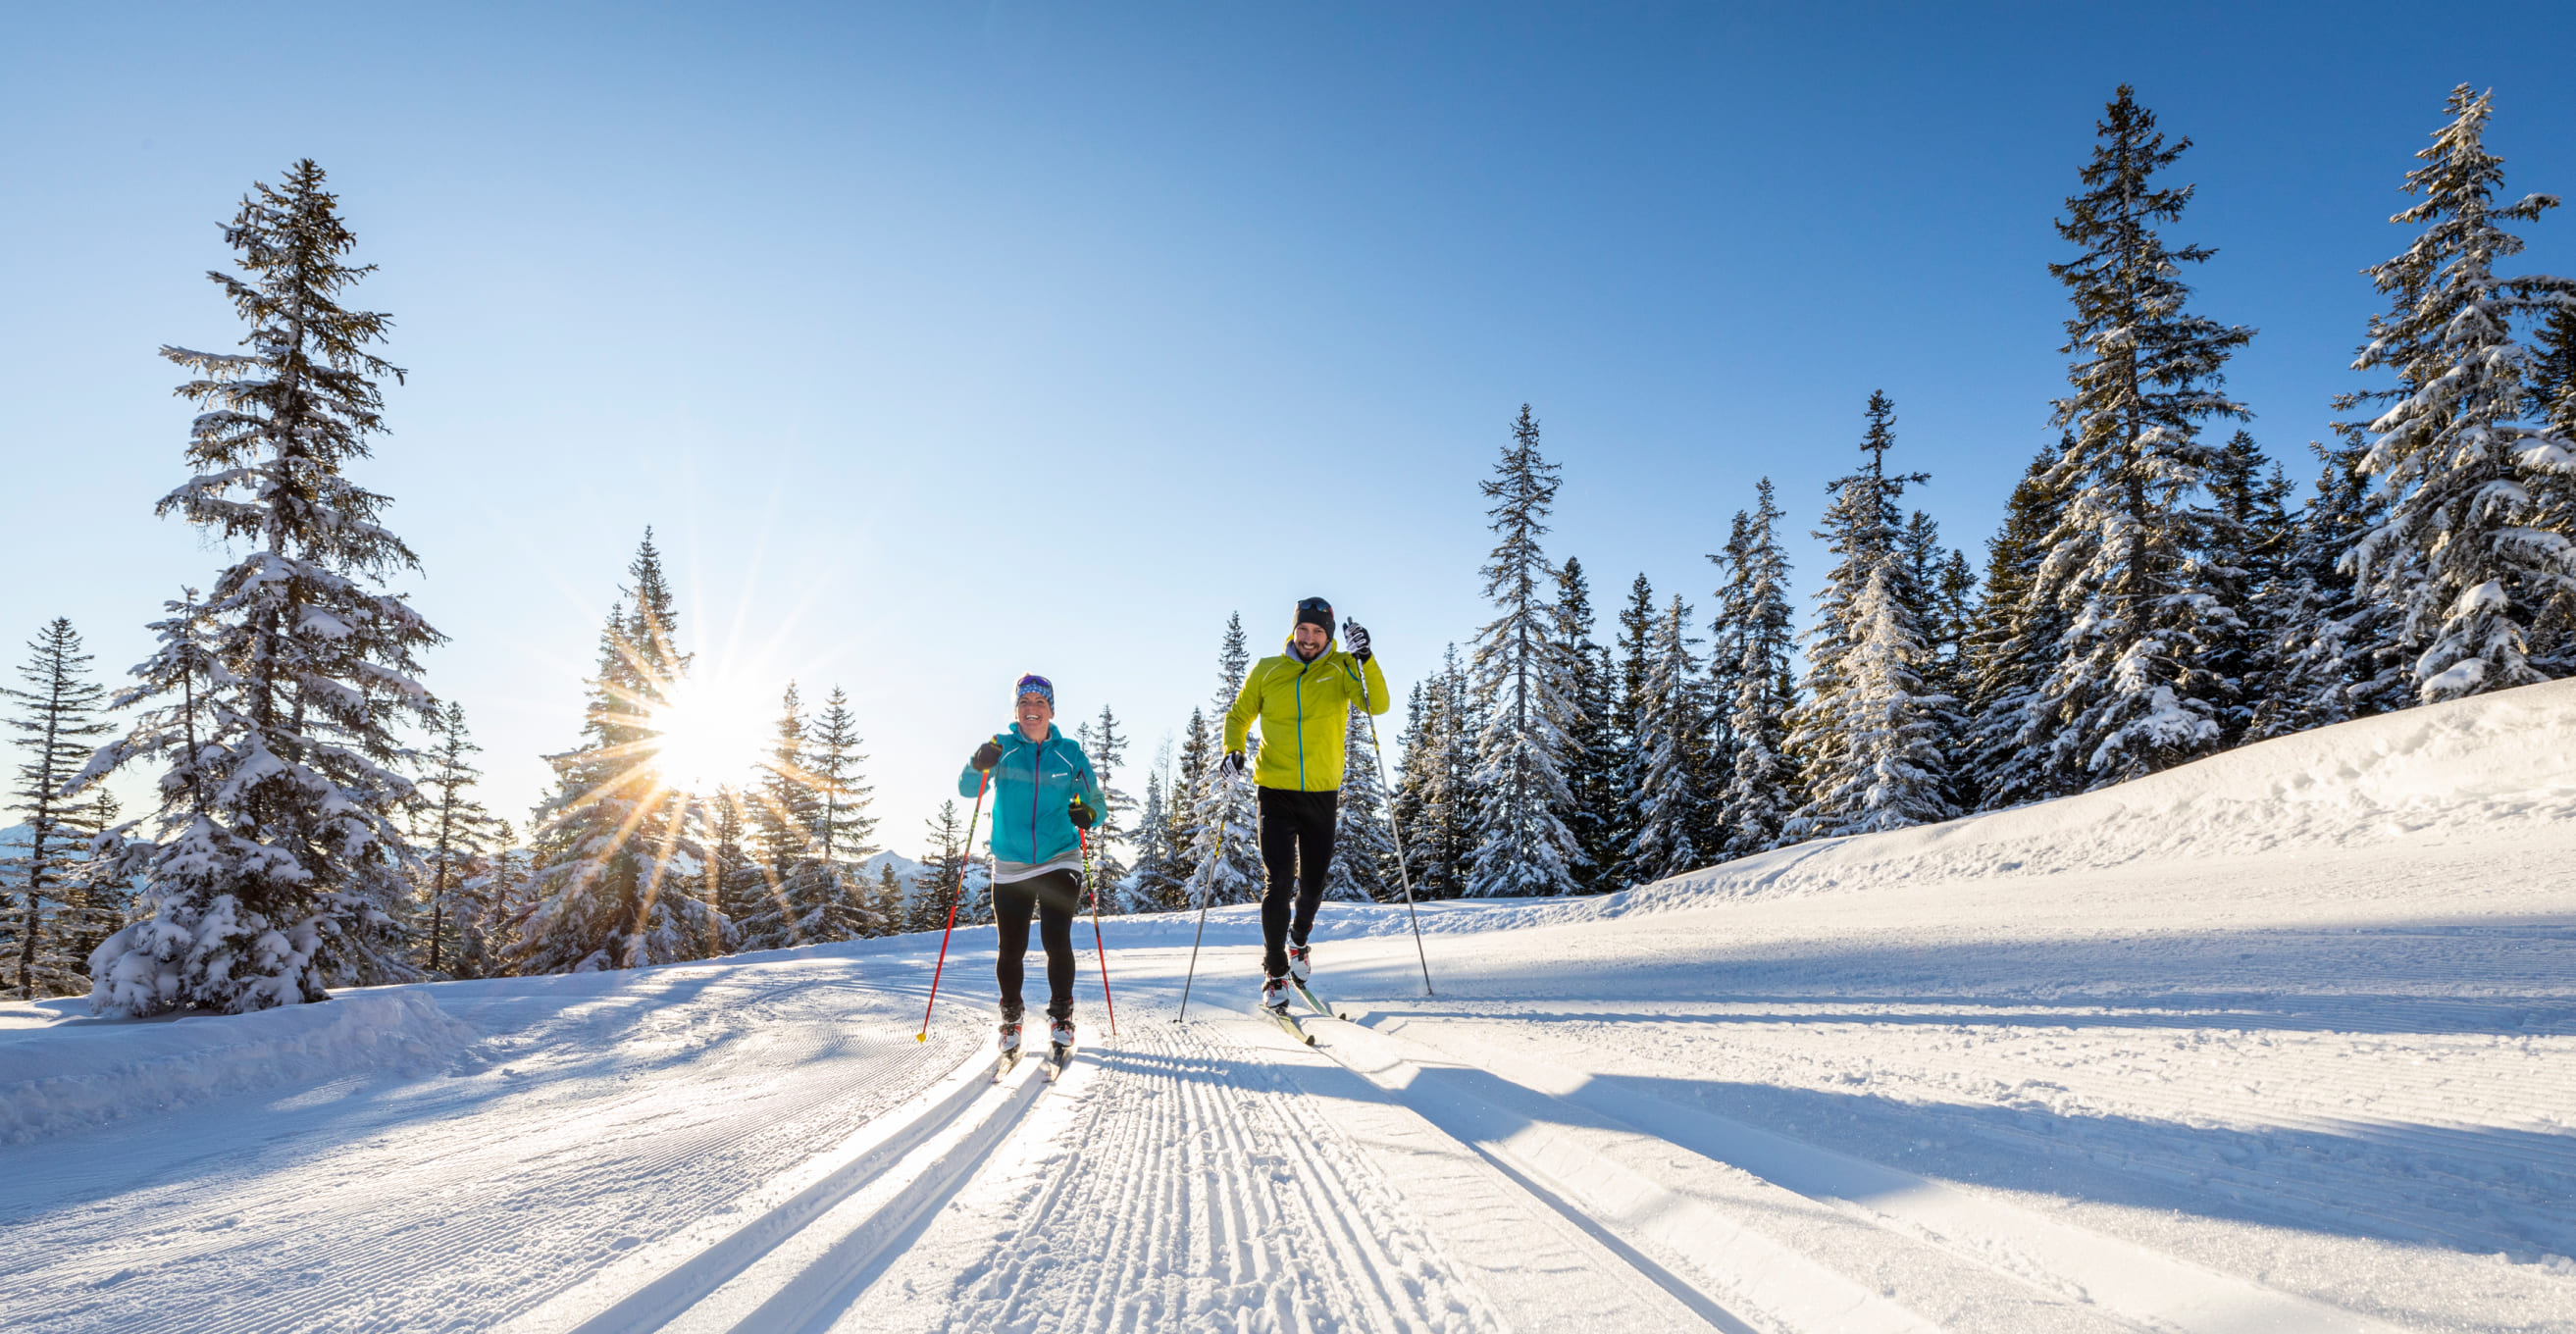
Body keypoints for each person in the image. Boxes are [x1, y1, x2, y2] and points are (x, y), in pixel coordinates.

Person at [1219, 597, 1390, 1011]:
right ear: (1293, 630)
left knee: (1312, 885)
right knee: (1278, 881)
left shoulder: (1344, 668)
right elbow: (1238, 716)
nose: (1309, 638)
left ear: (1328, 636)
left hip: (1321, 793)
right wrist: (1233, 749)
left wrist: (1366, 659)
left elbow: (1378, 704)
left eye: (1317, 631)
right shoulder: (1267, 670)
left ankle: (1298, 941)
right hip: (1274, 791)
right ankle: (1275, 970)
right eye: (1303, 630)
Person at [960, 673, 1107, 1058]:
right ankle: (1011, 1018)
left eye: (1040, 702)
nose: (1032, 709)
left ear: (1051, 711)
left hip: (1061, 856)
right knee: (1012, 947)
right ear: (1016, 710)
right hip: (1011, 861)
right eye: (1024, 702)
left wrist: (1087, 814)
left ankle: (1061, 1017)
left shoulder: (1069, 753)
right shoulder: (1002, 748)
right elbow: (966, 787)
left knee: (1056, 939)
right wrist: (978, 764)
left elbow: (1096, 802)